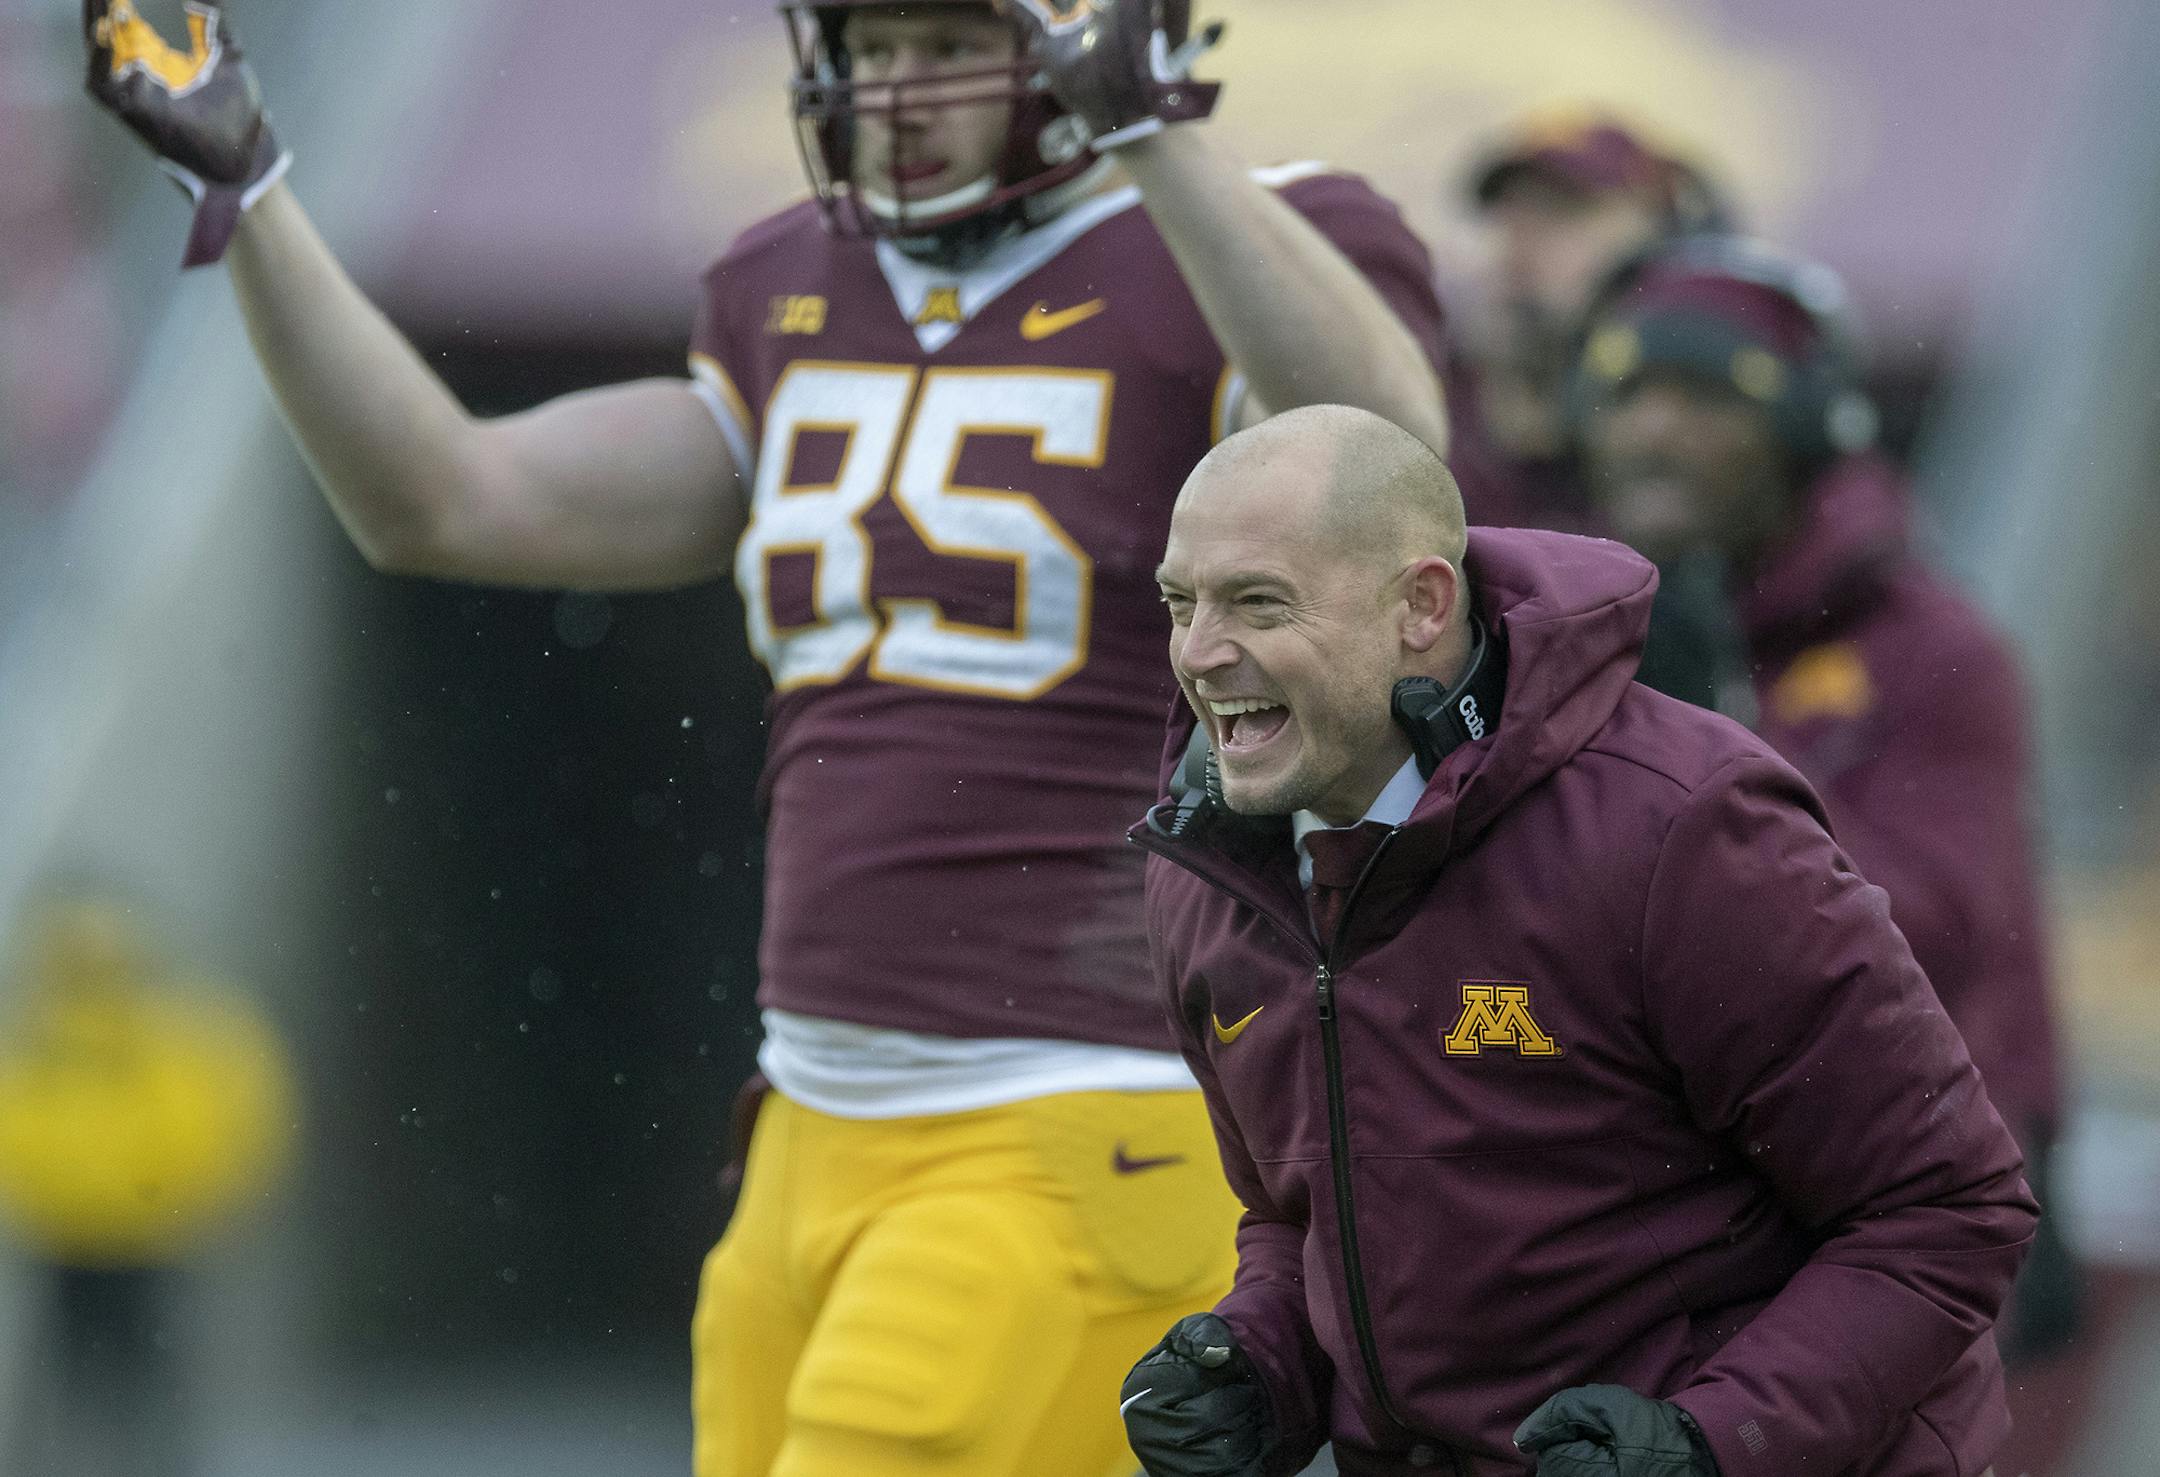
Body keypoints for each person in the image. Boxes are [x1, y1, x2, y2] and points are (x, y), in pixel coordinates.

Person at [82, 3, 1451, 1475]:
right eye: (869, 51)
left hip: (1077, 1117)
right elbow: (446, 497)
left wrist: (1153, 135)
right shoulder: (791, 283)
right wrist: (254, 196)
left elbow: (1389, 455)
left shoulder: (1243, 237)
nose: (894, 92)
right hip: (807, 1124)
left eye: (942, 48)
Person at [1125, 404, 2036, 1475]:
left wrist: (1706, 1443)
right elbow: (1300, 1215)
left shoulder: (1680, 827)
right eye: (1182, 604)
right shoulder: (1209, 872)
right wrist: (1260, 1365)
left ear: (1421, 604)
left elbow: (1945, 1211)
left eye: (1258, 604)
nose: (1201, 652)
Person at [1569, 236, 2080, 1368]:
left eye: (1706, 395)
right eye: (1627, 390)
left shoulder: (1932, 648)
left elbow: (1943, 930)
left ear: (1808, 426)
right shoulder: (1559, 627)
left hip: (1863, 1221)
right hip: (1639, 1203)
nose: (1653, 429)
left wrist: (1714, 748)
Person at [1451, 112, 1727, 533]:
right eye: (1511, 221)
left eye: (1561, 214)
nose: (1519, 251)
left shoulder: (1729, 392)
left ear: (1662, 229)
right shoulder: (1460, 393)